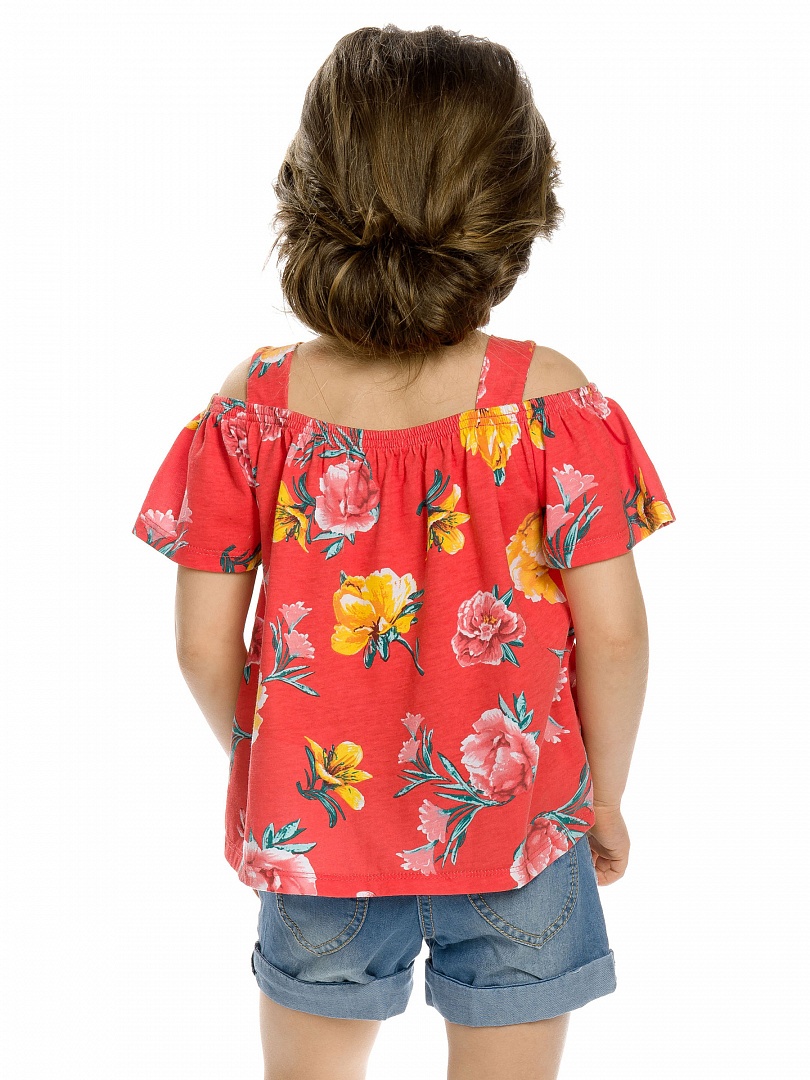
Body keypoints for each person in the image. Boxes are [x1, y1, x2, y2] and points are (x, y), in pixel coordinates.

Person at [132, 23, 676, 1080]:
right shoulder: (548, 403)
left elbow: (203, 647)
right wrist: (603, 798)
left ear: (308, 190)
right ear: (518, 204)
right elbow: (615, 637)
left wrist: (275, 764)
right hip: (521, 830)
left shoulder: (255, 406)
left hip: (317, 840)